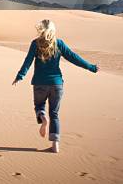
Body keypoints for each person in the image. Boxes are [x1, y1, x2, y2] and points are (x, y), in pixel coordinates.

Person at [12, 19, 98, 153]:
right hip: (57, 85)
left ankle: (42, 117)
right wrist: (91, 67)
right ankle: (55, 145)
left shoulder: (35, 44)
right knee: (54, 114)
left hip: (40, 83)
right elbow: (74, 58)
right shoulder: (59, 43)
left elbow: (27, 61)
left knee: (39, 106)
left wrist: (20, 76)